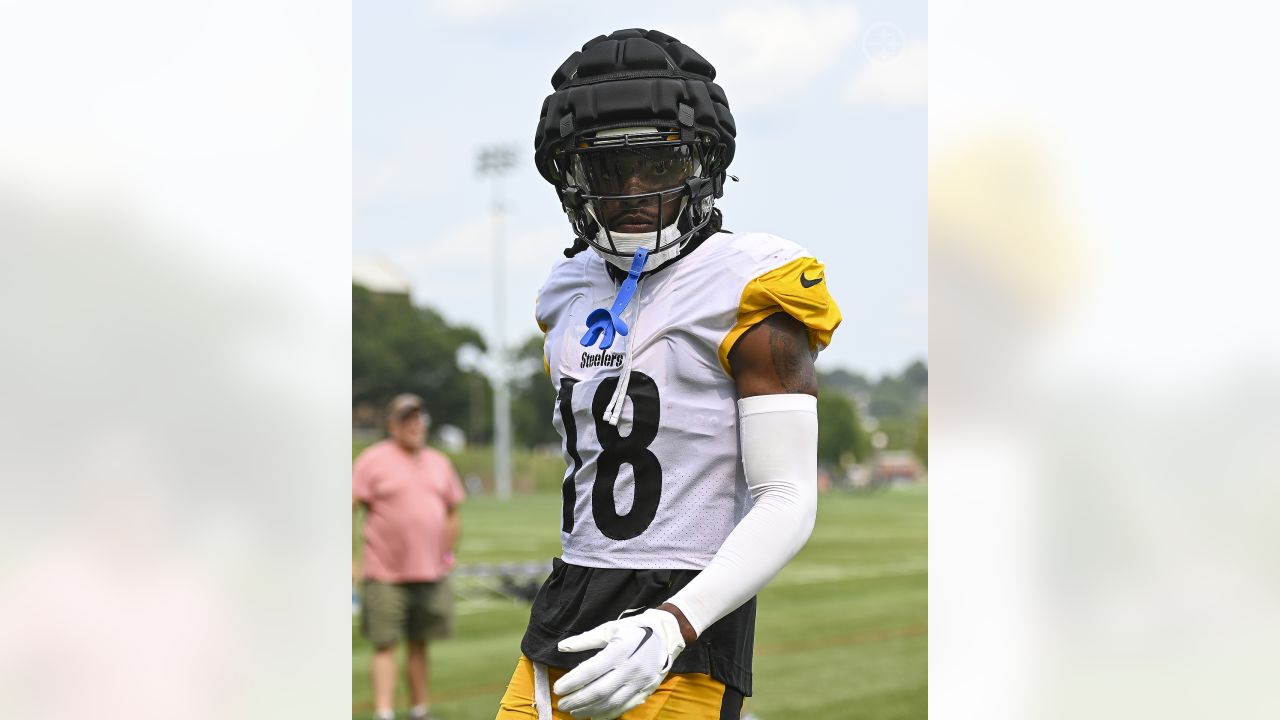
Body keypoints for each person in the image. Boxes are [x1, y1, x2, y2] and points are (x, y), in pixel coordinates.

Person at [495, 28, 841, 720]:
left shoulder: (750, 285)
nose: (632, 191)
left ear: (702, 162)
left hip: (684, 612)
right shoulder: (567, 290)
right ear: (568, 177)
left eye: (656, 164)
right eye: (603, 170)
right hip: (567, 598)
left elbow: (786, 494)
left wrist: (674, 622)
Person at [355, 393, 465, 720]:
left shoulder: (439, 462)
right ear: (392, 425)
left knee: (420, 645)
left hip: (430, 572)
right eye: (407, 419)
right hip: (384, 571)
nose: (415, 425)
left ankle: (419, 710)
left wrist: (446, 553)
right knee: (385, 644)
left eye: (419, 419)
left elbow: (452, 512)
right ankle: (384, 713)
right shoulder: (371, 460)